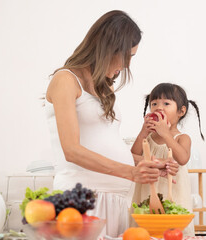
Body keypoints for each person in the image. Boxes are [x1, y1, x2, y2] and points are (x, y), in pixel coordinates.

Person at [44, 10, 167, 237]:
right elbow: (71, 150)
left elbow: (106, 145)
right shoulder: (65, 80)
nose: (128, 65)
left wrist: (149, 164)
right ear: (108, 47)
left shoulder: (105, 87)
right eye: (126, 56)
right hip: (82, 197)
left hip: (117, 199)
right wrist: (131, 172)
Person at [131, 83, 205, 236]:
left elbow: (183, 158)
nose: (159, 107)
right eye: (154, 103)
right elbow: (133, 155)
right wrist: (143, 132)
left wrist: (165, 133)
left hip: (174, 196)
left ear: (181, 111)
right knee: (144, 233)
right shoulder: (148, 138)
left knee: (173, 234)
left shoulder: (182, 138)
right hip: (147, 195)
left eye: (166, 103)